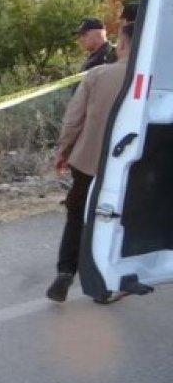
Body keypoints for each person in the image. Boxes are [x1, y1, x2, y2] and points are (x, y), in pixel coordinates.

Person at [47, 22, 134, 302]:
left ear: (121, 44)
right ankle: (105, 283)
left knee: (77, 215)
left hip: (88, 160)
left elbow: (73, 120)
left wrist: (63, 152)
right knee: (117, 220)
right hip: (132, 167)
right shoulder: (154, 79)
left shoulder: (97, 75)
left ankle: (65, 271)